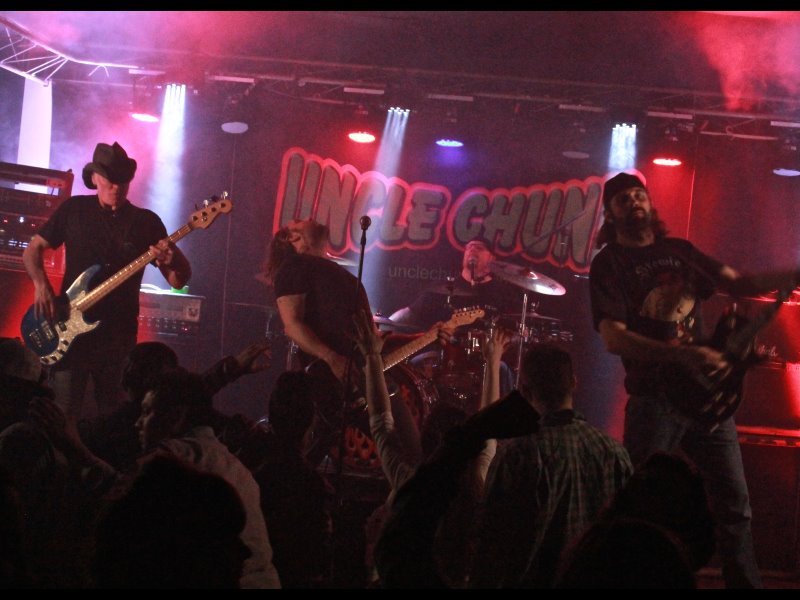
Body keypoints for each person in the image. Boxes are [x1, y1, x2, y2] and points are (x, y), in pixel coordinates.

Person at [588, 171, 800, 589]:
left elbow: (740, 283)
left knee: (734, 506)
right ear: (610, 214)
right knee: (637, 507)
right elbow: (614, 338)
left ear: (650, 203)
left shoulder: (679, 251)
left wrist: (791, 274)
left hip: (707, 400)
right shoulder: (609, 264)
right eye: (623, 199)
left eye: (639, 195)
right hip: (654, 401)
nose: (634, 202)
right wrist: (683, 354)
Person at [29, 367, 282, 589]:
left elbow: (118, 504)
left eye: (147, 412)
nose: (137, 423)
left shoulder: (170, 457)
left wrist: (72, 447)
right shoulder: (233, 465)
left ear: (176, 416)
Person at [22, 141, 191, 424]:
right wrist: (42, 286)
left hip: (118, 340)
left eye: (123, 181)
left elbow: (177, 280)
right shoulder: (74, 210)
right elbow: (32, 251)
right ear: (95, 178)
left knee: (114, 419)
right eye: (111, 180)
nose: (117, 187)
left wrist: (174, 260)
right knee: (63, 415)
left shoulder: (146, 222)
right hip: (69, 333)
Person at [263, 218, 452, 468]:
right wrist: (333, 359)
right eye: (299, 220)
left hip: (364, 380)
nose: (308, 218)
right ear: (292, 237)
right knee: (305, 457)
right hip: (326, 380)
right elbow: (293, 325)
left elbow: (373, 341)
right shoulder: (293, 266)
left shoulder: (341, 275)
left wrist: (426, 337)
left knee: (411, 453)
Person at [469, 343, 633, 589]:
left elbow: (491, 545)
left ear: (524, 390)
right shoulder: (614, 452)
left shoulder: (519, 455)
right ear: (574, 382)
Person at [390, 239, 523, 412]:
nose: (472, 250)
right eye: (469, 247)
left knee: (502, 369)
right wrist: (384, 322)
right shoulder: (445, 289)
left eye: (479, 247)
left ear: (492, 258)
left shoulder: (503, 293)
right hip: (444, 354)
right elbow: (409, 312)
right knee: (415, 364)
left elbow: (515, 331)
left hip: (487, 357)